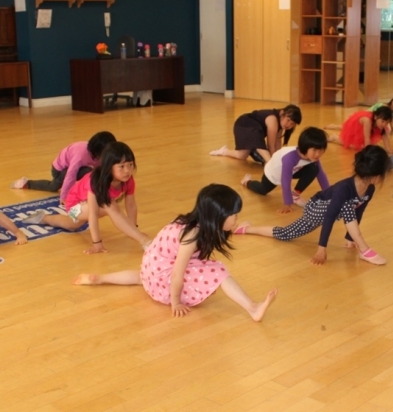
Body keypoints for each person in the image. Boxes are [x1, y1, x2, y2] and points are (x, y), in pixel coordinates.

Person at [72, 184, 277, 322]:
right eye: (234, 216)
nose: (236, 219)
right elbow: (178, 274)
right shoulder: (192, 236)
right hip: (166, 279)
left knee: (141, 277)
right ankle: (252, 308)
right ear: (217, 217)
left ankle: (101, 279)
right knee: (218, 270)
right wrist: (176, 301)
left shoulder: (190, 222)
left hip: (152, 268)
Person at [237, 145, 391, 266]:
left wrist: (350, 237)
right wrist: (321, 248)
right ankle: (364, 249)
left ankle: (361, 246)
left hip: (334, 209)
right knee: (346, 205)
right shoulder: (344, 189)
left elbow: (359, 211)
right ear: (377, 175)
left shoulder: (369, 189)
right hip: (316, 207)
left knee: (347, 206)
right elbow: (329, 217)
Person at [21, 142, 151, 254]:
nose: (127, 170)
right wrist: (97, 243)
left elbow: (131, 206)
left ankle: (43, 218)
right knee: (109, 205)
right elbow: (92, 213)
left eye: (130, 164)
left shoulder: (128, 180)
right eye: (121, 166)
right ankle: (145, 241)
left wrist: (133, 231)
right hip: (74, 207)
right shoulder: (96, 180)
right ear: (108, 167)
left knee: (71, 225)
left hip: (86, 206)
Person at [241, 127, 330, 214]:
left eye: (321, 150)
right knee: (262, 190)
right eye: (314, 150)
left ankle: (295, 195)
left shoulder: (313, 157)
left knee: (314, 168)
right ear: (305, 147)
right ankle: (247, 182)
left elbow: (321, 175)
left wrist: (329, 196)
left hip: (293, 170)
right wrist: (287, 203)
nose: (318, 154)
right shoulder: (289, 158)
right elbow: (286, 181)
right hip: (273, 173)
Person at [10, 131, 116, 202]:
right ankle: (27, 183)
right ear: (98, 152)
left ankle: (93, 193)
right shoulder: (80, 155)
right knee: (53, 187)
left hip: (80, 168)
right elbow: (71, 175)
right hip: (59, 169)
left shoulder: (98, 155)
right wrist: (64, 197)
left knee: (93, 172)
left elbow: (104, 172)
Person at [210, 105, 302, 164]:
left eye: (292, 124)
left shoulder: (280, 126)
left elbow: (277, 143)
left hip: (252, 130)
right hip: (244, 124)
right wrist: (273, 161)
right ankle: (270, 164)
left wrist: (279, 157)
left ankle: (224, 151)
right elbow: (271, 145)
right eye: (288, 120)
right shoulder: (273, 119)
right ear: (282, 113)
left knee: (242, 156)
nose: (288, 125)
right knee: (258, 141)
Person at [327, 106, 393, 152]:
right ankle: (334, 137)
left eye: (387, 122)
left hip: (365, 126)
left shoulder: (380, 123)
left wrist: (388, 149)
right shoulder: (367, 121)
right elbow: (367, 138)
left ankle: (334, 126)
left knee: (365, 144)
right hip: (356, 125)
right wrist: (368, 151)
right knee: (349, 143)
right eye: (383, 121)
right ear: (375, 117)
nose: (384, 124)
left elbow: (384, 135)